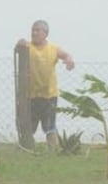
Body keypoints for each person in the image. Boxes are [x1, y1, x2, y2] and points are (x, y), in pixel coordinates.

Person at [16, 19, 75, 149]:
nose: (34, 33)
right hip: (31, 95)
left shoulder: (53, 49)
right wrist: (19, 43)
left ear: (45, 33)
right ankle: (26, 148)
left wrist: (69, 60)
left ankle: (53, 150)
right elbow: (18, 47)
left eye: (37, 30)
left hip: (49, 95)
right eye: (33, 30)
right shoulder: (27, 47)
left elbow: (65, 55)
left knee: (50, 126)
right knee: (28, 125)